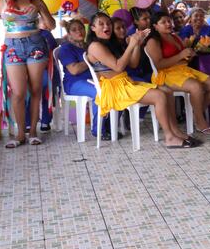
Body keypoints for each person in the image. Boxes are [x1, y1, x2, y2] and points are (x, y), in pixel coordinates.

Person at [85, 13, 198, 148]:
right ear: (92, 28)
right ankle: (169, 137)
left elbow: (133, 64)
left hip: (124, 82)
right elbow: (119, 66)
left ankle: (175, 131)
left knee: (167, 91)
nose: (106, 26)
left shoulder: (110, 43)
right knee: (159, 96)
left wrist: (137, 44)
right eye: (101, 24)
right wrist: (131, 45)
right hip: (113, 88)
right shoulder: (95, 46)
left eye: (108, 23)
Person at [0, 0, 55, 148]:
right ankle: (19, 134)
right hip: (12, 47)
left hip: (36, 45)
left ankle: (33, 132)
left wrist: (43, 13)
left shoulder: (36, 1)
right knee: (17, 92)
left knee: (36, 89)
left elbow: (52, 25)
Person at [145, 13, 210, 135]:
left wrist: (188, 55)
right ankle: (201, 122)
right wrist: (180, 55)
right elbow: (158, 65)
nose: (168, 24)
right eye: (163, 22)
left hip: (183, 70)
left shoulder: (175, 37)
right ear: (155, 26)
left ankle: (195, 115)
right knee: (196, 86)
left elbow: (182, 58)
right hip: (165, 74)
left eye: (169, 21)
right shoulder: (153, 41)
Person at [57, 19, 101, 137]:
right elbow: (74, 70)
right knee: (99, 93)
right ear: (69, 33)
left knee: (114, 86)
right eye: (74, 30)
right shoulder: (66, 48)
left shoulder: (89, 46)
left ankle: (110, 124)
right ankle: (98, 130)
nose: (79, 32)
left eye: (81, 28)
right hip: (74, 83)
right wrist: (90, 59)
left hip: (93, 79)